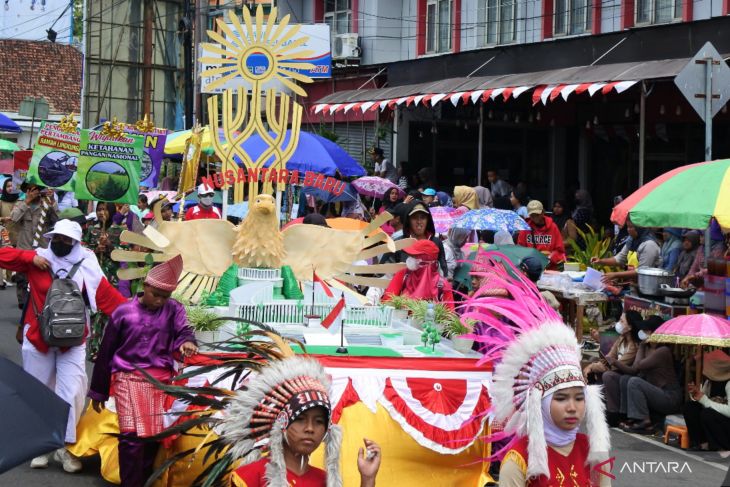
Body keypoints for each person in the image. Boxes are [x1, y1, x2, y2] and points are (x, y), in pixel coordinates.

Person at [464, 253, 610, 487]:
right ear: (540, 401)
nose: (572, 408)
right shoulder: (520, 459)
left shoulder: (593, 453)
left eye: (579, 398)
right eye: (561, 398)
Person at [0, 219, 126, 472]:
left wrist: (141, 318)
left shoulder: (87, 264)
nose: (59, 243)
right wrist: (29, 257)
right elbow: (2, 255)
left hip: (74, 340)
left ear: (76, 242)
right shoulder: (37, 258)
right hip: (38, 337)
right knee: (38, 392)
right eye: (56, 237)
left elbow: (109, 299)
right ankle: (42, 446)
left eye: (66, 239)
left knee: (72, 392)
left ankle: (64, 447)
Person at [89, 254, 196, 487]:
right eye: (156, 294)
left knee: (151, 439)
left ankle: (143, 482)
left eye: (165, 297)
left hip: (160, 381)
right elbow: (106, 352)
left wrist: (187, 341)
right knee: (131, 437)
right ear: (145, 286)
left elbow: (184, 331)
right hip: (127, 377)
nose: (159, 301)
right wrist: (98, 391)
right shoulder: (123, 312)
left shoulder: (174, 309)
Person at [613, 316, 682, 434]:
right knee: (626, 379)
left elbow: (639, 365)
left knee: (635, 382)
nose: (642, 333)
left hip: (669, 397)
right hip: (656, 392)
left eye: (646, 331)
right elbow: (633, 369)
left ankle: (644, 421)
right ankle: (629, 416)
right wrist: (615, 362)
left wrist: (641, 345)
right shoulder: (648, 347)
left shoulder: (663, 351)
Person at [83, 202, 125, 361]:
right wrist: (95, 251)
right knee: (95, 314)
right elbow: (83, 251)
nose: (102, 213)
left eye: (105, 209)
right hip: (94, 278)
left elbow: (124, 254)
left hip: (111, 279)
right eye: (99, 210)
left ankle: (109, 348)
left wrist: (109, 246)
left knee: (109, 314)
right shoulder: (91, 230)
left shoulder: (119, 232)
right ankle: (94, 349)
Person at [10, 183, 59, 308]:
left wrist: (52, 201)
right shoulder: (21, 203)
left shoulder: (46, 203)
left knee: (40, 280)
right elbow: (13, 219)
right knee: (22, 279)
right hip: (24, 248)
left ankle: (37, 306)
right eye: (30, 189)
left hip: (41, 250)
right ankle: (23, 305)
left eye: (36, 189)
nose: (34, 192)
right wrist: (27, 201)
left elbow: (57, 220)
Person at [381, 239, 455, 309]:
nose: (409, 258)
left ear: (425, 261)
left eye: (414, 256)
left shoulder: (442, 285)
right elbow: (387, 302)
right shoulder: (403, 274)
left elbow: (449, 316)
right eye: (410, 255)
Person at [383, 201, 447, 275]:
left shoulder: (436, 242)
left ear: (428, 220)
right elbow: (386, 270)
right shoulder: (399, 243)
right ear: (408, 220)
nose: (419, 221)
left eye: (422, 217)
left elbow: (443, 270)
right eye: (414, 217)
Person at [684, 349, 730, 451]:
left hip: (726, 425)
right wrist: (696, 394)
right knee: (690, 407)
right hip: (716, 420)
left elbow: (729, 411)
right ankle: (702, 443)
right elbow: (703, 402)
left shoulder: (728, 383)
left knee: (708, 414)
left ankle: (720, 446)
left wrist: (705, 400)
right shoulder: (709, 382)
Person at [592, 218, 661, 284]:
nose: (628, 230)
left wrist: (615, 275)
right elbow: (619, 259)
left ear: (639, 228)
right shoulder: (632, 240)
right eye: (627, 227)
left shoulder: (649, 245)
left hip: (648, 286)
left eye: (631, 227)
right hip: (634, 284)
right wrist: (600, 261)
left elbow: (642, 271)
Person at [584, 311, 641, 385]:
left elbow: (614, 366)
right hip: (613, 369)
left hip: (622, 376)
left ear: (630, 327)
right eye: (619, 320)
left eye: (622, 321)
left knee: (605, 373)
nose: (618, 323)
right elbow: (609, 357)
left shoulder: (633, 346)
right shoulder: (621, 338)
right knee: (594, 360)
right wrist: (593, 365)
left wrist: (591, 367)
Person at [516, 200, 566, 270]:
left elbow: (560, 251)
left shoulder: (553, 227)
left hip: (549, 269)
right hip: (531, 270)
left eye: (537, 214)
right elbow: (520, 250)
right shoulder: (525, 228)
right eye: (532, 215)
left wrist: (550, 257)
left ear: (543, 213)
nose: (535, 217)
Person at [0, 178, 19, 287]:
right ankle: (5, 279)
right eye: (8, 186)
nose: (10, 188)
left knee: (16, 256)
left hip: (18, 233)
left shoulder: (21, 202)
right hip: (4, 233)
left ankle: (12, 276)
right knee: (5, 255)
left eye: (13, 186)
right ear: (4, 188)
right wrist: (3, 219)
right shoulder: (1, 202)